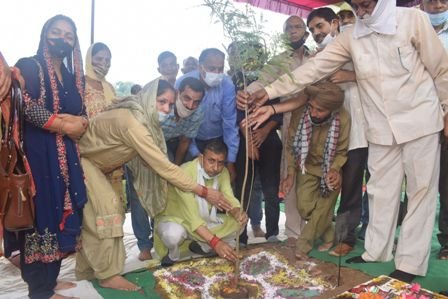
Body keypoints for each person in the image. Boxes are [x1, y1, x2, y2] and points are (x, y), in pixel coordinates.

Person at [240, 0, 448, 282]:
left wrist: (447, 109)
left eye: (365, 6)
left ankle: (410, 263)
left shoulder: (413, 20)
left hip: (420, 120)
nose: (360, 13)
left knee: (420, 192)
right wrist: (269, 91)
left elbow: (441, 69)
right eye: (356, 7)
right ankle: (375, 251)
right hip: (380, 128)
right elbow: (311, 70)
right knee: (379, 189)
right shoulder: (351, 37)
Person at [75, 78, 232, 292]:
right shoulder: (134, 123)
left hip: (93, 164)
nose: (166, 109)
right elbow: (164, 166)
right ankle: (107, 275)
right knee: (109, 210)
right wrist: (204, 192)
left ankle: (85, 272)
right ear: (149, 98)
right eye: (161, 102)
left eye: (169, 103)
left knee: (95, 216)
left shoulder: (143, 119)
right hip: (81, 161)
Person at [15, 15, 89, 299]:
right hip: (39, 157)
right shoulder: (30, 66)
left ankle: (51, 279)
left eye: (69, 36)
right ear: (45, 34)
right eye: (56, 33)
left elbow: (81, 113)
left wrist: (81, 124)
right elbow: (26, 106)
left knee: (60, 214)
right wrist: (63, 125)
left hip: (66, 158)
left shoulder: (70, 77)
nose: (62, 39)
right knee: (41, 218)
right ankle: (39, 289)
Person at [306, 7, 368, 258]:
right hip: (329, 132)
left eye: (319, 26)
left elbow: (380, 73)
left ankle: (347, 238)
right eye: (312, 30)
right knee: (329, 183)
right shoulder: (319, 56)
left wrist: (349, 75)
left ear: (334, 23)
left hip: (359, 131)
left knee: (353, 186)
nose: (316, 33)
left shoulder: (355, 42)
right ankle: (328, 231)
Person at [246, 16, 312, 247]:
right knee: (290, 176)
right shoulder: (278, 62)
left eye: (297, 27)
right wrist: (248, 92)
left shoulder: (317, 58)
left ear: (306, 32)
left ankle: (314, 231)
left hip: (319, 122)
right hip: (290, 123)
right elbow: (262, 83)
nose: (293, 31)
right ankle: (293, 233)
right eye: (288, 28)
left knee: (315, 176)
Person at [129, 77, 205, 262]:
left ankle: (157, 238)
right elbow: (138, 135)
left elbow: (185, 141)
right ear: (178, 93)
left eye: (196, 101)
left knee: (163, 193)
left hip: (167, 146)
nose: (190, 105)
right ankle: (144, 245)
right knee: (139, 195)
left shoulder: (197, 113)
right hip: (138, 147)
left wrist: (174, 169)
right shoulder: (161, 106)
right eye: (186, 98)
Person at [281, 82, 349, 259]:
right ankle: (329, 234)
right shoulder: (300, 113)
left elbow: (342, 151)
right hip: (307, 166)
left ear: (332, 110)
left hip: (330, 170)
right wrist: (290, 173)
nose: (313, 113)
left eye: (319, 110)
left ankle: (303, 246)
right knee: (304, 208)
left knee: (321, 209)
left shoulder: (343, 118)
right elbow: (291, 146)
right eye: (311, 107)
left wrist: (335, 170)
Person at [154, 140, 248, 266]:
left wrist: (236, 211)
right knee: (173, 235)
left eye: (220, 163)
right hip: (177, 219)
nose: (215, 168)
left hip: (202, 219)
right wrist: (216, 242)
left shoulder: (223, 172)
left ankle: (203, 246)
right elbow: (192, 217)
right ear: (201, 157)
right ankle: (173, 255)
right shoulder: (185, 172)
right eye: (211, 160)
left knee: (240, 222)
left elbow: (228, 198)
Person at [228, 41, 283, 244]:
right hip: (243, 142)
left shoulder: (269, 78)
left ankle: (273, 234)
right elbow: (231, 115)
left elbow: (279, 111)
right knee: (243, 188)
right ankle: (241, 236)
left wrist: (265, 130)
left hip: (268, 139)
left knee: (271, 188)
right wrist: (249, 140)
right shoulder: (232, 81)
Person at [176, 48, 239, 182]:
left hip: (218, 139)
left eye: (220, 69)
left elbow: (230, 123)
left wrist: (230, 161)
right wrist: (195, 154)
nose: (217, 73)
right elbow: (183, 124)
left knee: (220, 181)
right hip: (190, 138)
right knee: (192, 179)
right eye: (212, 68)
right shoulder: (184, 83)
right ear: (201, 67)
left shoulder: (227, 84)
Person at [421, 0, 448, 262]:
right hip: (421, 118)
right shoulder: (413, 31)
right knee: (422, 184)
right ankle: (414, 242)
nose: (438, 5)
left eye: (443, 0)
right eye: (431, 1)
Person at [84, 42, 115, 118]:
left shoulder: (110, 87)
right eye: (99, 59)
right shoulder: (80, 83)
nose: (103, 63)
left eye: (107, 60)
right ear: (89, 59)